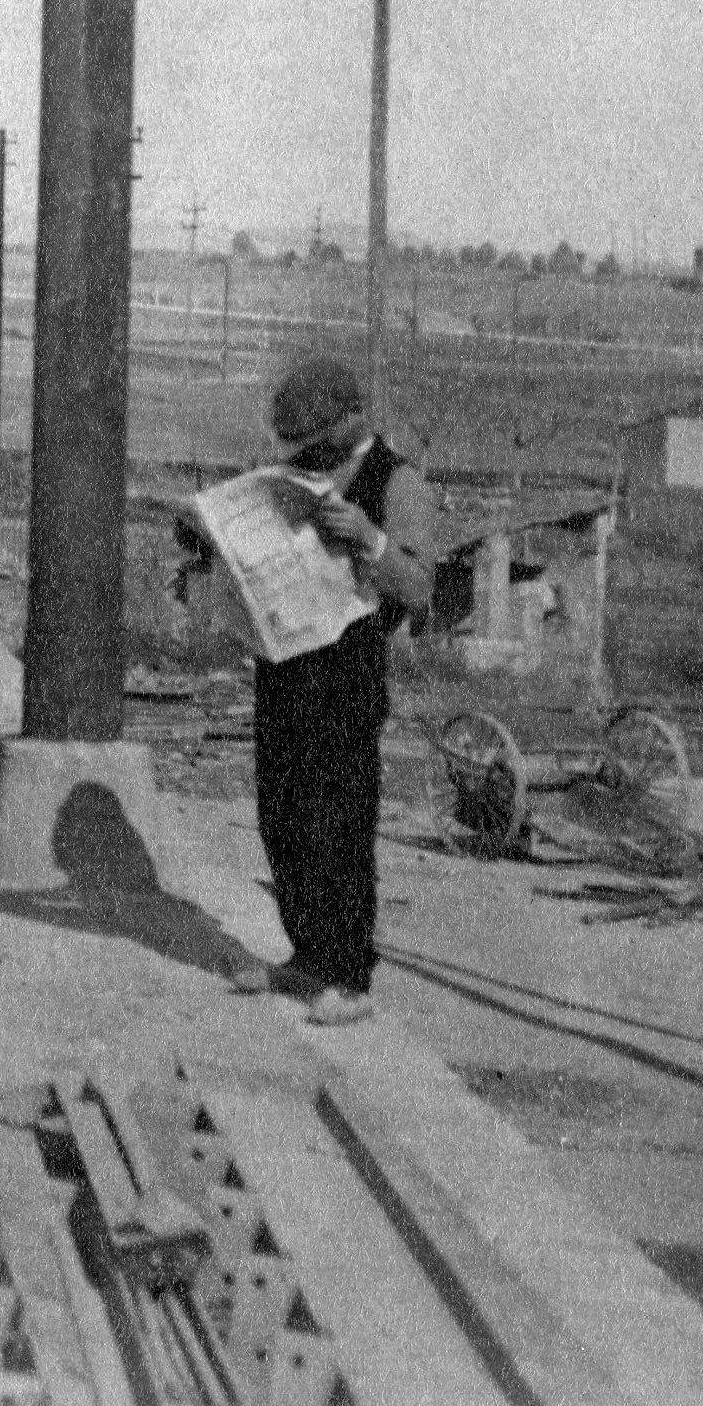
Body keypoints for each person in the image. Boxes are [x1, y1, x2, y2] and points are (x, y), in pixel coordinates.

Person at [224, 353, 433, 1026]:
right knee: (281, 812)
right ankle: (307, 955)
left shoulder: (399, 482)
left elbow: (421, 586)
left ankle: (349, 974)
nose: (308, 454)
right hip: (285, 662)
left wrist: (370, 540)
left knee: (340, 822)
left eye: (318, 440)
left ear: (352, 421)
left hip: (347, 674)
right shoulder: (296, 478)